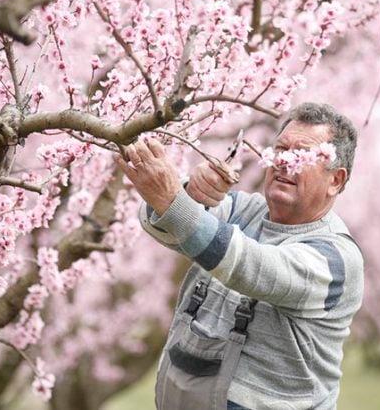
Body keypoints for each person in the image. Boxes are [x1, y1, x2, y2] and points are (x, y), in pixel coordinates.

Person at [116, 103, 364, 410]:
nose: (285, 162)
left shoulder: (336, 258)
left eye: (301, 155)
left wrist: (173, 200)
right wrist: (191, 194)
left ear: (335, 180)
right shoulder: (242, 208)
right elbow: (167, 228)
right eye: (280, 149)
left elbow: (249, 267)